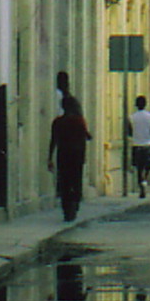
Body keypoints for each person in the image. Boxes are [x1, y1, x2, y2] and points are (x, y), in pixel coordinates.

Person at [48, 94, 91, 223]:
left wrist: (49, 158)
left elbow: (53, 140)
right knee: (76, 181)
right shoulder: (79, 121)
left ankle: (66, 209)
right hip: (77, 155)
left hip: (63, 154)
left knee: (64, 182)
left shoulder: (57, 122)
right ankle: (75, 204)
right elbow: (86, 137)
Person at [129, 94, 150, 198]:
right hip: (148, 144)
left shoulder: (132, 117)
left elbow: (130, 132)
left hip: (136, 144)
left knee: (138, 167)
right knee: (148, 166)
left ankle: (141, 183)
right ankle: (145, 180)